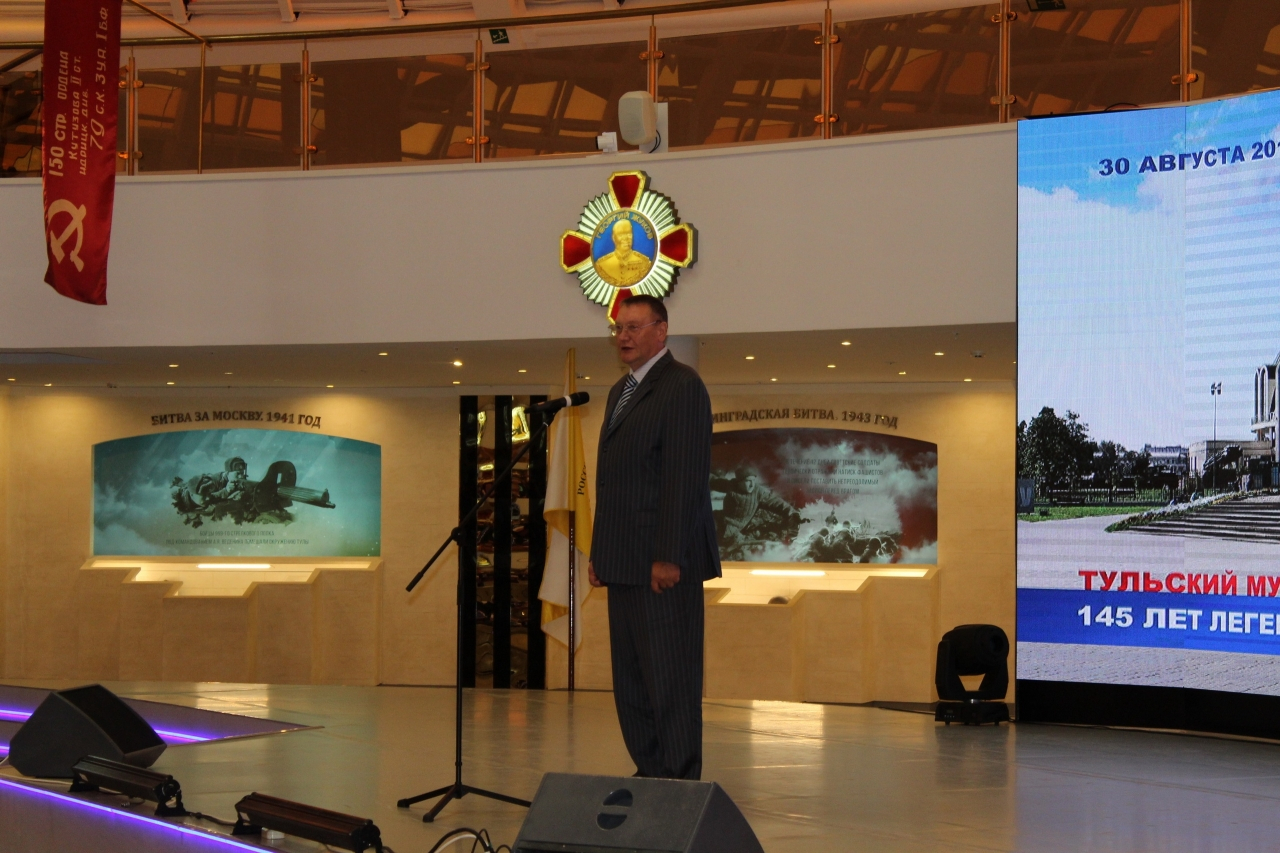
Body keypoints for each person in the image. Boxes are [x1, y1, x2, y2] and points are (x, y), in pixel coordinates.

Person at [588, 293, 720, 780]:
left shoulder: (682, 386)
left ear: (661, 331)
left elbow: (684, 478)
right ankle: (650, 774)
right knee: (632, 684)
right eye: (618, 329)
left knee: (670, 681)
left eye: (634, 327)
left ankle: (679, 783)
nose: (623, 337)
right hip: (623, 563)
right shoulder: (618, 392)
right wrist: (601, 553)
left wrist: (668, 556)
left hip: (661, 567)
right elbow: (613, 482)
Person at [595, 219, 653, 287]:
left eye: (629, 234)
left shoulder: (645, 263)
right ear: (613, 238)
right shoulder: (601, 265)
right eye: (621, 235)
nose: (626, 238)